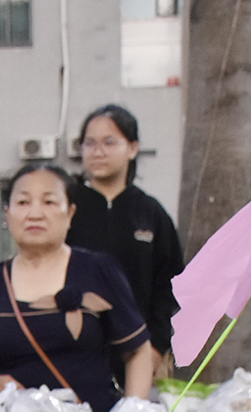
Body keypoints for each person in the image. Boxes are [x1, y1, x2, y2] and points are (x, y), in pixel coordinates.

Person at [0, 163, 152, 412]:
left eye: (49, 202)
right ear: (7, 214)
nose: (35, 213)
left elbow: (138, 351)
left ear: (70, 213)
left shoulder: (98, 269)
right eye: (23, 203)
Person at [66, 105, 184, 370]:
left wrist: (156, 346)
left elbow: (171, 285)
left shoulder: (150, 213)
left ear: (132, 148)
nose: (98, 151)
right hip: (72, 353)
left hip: (141, 353)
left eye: (109, 142)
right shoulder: (66, 207)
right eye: (89, 143)